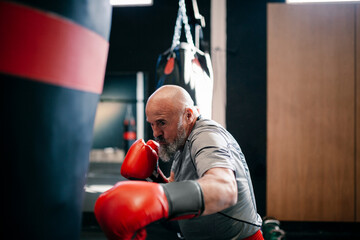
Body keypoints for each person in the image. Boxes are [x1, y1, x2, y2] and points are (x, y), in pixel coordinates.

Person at [94, 85, 263, 240]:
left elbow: (225, 188)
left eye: (161, 123)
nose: (156, 133)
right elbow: (177, 189)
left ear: (188, 115)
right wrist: (154, 178)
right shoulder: (181, 141)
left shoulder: (206, 136)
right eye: (152, 124)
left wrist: (160, 197)